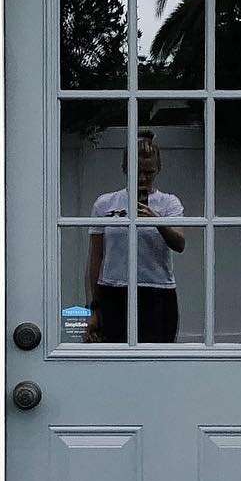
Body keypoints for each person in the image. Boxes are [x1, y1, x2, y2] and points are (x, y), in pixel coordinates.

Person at [84, 132, 186, 343]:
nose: (142, 178)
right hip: (114, 291)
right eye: (137, 171)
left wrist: (156, 220)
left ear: (158, 169)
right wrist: (92, 308)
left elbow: (179, 243)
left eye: (148, 172)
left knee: (156, 362)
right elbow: (96, 257)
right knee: (114, 360)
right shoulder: (105, 204)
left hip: (157, 292)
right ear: (125, 169)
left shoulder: (169, 203)